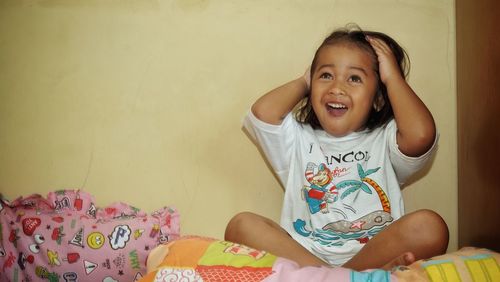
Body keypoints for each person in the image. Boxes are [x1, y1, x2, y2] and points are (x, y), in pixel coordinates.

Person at [224, 25, 449, 271]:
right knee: (240, 225)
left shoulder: (386, 138)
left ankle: (334, 276)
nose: (337, 87)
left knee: (430, 226)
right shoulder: (298, 139)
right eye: (326, 76)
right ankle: (346, 277)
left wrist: (392, 77)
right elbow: (263, 113)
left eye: (354, 78)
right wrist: (304, 81)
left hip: (372, 252)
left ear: (378, 98)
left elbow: (421, 135)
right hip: (303, 253)